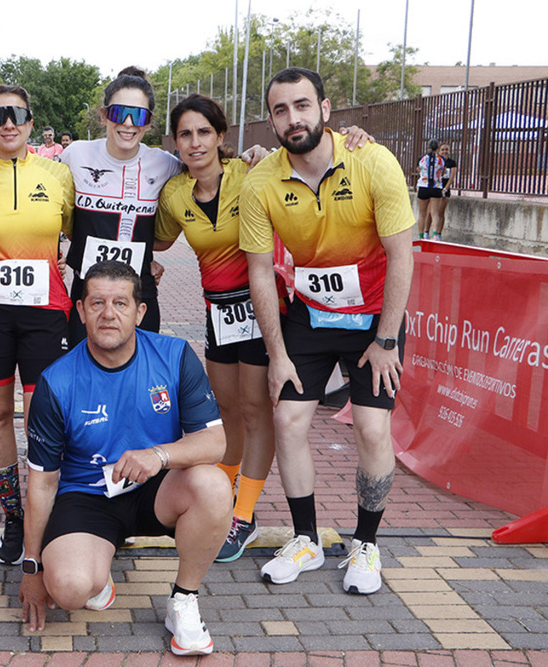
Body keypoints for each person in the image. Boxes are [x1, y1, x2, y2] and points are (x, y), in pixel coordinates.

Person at [239, 67, 415, 595]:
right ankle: (306, 539)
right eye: (280, 110)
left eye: (302, 105)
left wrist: (386, 341)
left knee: (372, 428)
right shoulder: (261, 181)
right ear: (270, 119)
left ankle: (365, 544)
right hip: (310, 317)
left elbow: (402, 255)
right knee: (289, 419)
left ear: (325, 108)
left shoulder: (373, 162)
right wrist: (277, 353)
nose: (293, 118)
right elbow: (259, 272)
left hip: (373, 320)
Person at [20, 260, 232, 656]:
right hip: (88, 496)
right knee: (67, 589)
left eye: (120, 303)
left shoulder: (174, 356)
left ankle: (183, 601)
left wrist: (159, 455)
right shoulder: (56, 381)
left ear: (140, 311)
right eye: (97, 302)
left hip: (158, 490)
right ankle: (98, 573)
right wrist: (32, 567)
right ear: (80, 311)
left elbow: (215, 442)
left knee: (213, 485)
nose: (108, 314)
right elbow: (43, 482)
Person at [154, 94, 274, 562]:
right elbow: (158, 240)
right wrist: (149, 268)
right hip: (218, 312)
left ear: (221, 137)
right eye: (185, 134)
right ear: (176, 142)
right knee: (225, 409)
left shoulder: (251, 174)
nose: (195, 142)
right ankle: (221, 500)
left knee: (255, 408)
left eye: (204, 132)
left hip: (262, 308)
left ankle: (243, 515)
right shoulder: (175, 193)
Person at [0, 85, 74, 566]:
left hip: (46, 311)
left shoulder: (58, 174)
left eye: (18, 114)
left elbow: (74, 231)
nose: (9, 123)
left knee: (42, 418)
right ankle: (14, 518)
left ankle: (45, 517)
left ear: (30, 123)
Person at [61, 67, 182, 343]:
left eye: (138, 115)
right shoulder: (76, 154)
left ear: (149, 123)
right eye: (118, 113)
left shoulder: (165, 164)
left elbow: (207, 173)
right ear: (104, 115)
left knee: (140, 376)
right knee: (86, 377)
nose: (128, 123)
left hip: (139, 290)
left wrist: (251, 157)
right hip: (88, 291)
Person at [415, 139, 445, 239]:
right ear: (437, 148)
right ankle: (435, 234)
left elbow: (418, 169)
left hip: (423, 186)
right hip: (436, 187)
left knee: (422, 213)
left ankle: (421, 235)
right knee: (435, 212)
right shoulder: (441, 159)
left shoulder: (422, 158)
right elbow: (443, 171)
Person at [428, 143, 457, 241]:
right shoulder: (436, 161)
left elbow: (452, 177)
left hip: (444, 189)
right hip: (435, 188)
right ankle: (427, 232)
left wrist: (445, 188)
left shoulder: (451, 163)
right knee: (430, 212)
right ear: (438, 151)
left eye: (446, 150)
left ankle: (438, 234)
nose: (445, 151)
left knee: (440, 212)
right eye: (442, 150)